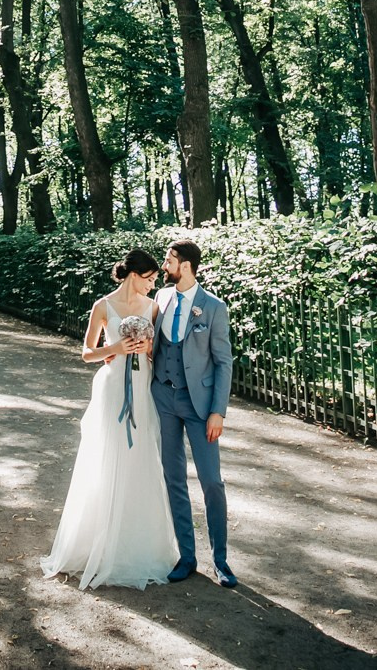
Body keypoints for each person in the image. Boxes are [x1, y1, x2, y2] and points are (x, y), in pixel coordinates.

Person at [41, 249, 178, 590]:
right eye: (149, 280)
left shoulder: (153, 308)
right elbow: (87, 353)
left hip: (142, 391)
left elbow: (157, 353)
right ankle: (97, 544)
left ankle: (137, 544)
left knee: (140, 459)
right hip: (112, 388)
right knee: (106, 458)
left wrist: (145, 348)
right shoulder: (103, 306)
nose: (152, 286)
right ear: (135, 275)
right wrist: (117, 348)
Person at [152, 239, 236, 587]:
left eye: (169, 259)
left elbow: (223, 361)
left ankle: (221, 560)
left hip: (200, 406)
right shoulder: (161, 298)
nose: (165, 264)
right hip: (164, 400)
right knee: (173, 480)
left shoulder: (213, 307)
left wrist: (218, 411)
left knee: (211, 482)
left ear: (185, 265)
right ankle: (187, 557)